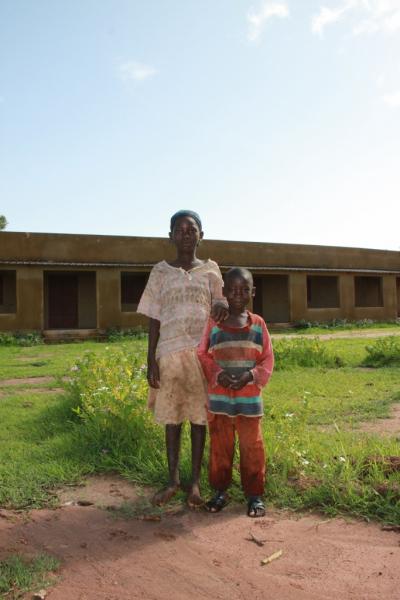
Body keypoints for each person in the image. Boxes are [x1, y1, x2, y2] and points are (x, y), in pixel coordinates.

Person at [137, 210, 228, 508]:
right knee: (173, 419)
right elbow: (154, 318)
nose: (186, 234)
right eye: (180, 230)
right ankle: (173, 481)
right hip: (169, 354)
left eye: (192, 230)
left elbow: (221, 306)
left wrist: (222, 308)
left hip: (202, 355)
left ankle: (195, 484)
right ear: (171, 236)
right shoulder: (160, 272)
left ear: (201, 235)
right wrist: (151, 360)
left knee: (199, 419)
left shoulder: (211, 270)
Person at [197, 267, 274, 517]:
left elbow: (267, 359)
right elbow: (202, 353)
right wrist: (218, 373)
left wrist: (249, 376)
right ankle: (220, 492)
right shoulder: (214, 322)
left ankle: (254, 495)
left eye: (244, 290)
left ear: (253, 292)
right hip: (220, 401)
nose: (237, 295)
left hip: (249, 401)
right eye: (232, 290)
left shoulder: (258, 324)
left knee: (252, 447)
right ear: (224, 292)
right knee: (220, 448)